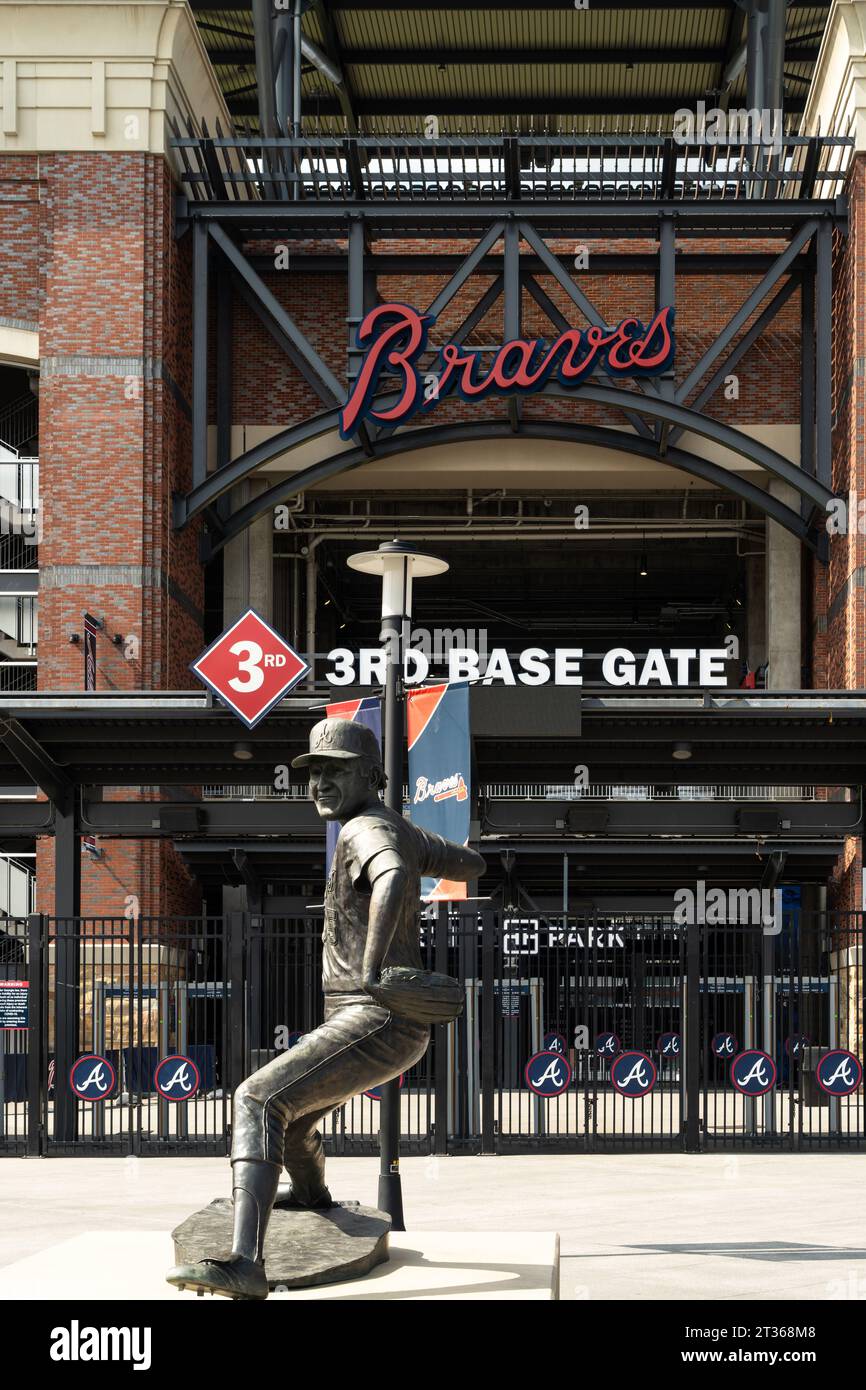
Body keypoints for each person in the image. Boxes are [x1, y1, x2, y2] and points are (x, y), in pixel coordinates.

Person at [167, 716, 485, 1299]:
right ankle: (311, 1195)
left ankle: (245, 1263)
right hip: (383, 1018)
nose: (318, 783)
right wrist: (422, 848)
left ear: (370, 775)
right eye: (313, 772)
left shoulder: (366, 829)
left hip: (376, 1013)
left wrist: (370, 968)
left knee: (257, 1098)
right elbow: (471, 865)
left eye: (334, 770)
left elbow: (388, 876)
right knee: (292, 1121)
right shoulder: (393, 827)